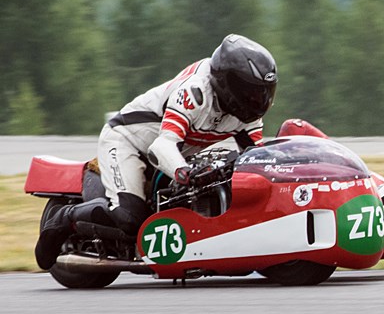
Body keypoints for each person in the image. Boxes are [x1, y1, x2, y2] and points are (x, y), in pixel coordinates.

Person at [35, 34, 278, 269]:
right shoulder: (195, 93)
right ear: (228, 84)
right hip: (128, 143)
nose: (260, 101)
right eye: (253, 93)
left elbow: (255, 158)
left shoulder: (247, 115)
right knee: (129, 218)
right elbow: (162, 146)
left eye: (265, 92)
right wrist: (185, 172)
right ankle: (64, 218)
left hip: (175, 153)